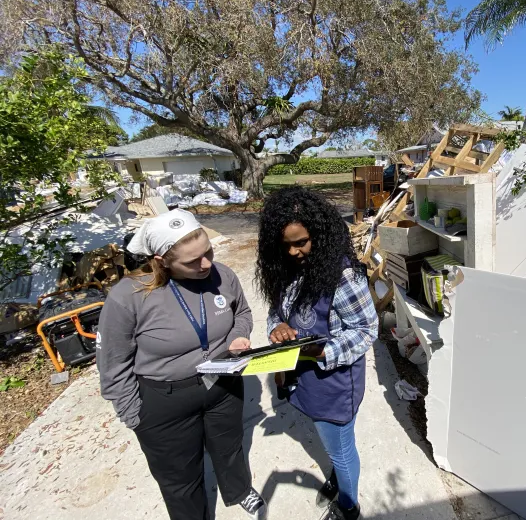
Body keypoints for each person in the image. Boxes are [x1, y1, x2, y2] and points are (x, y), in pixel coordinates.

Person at [96, 209, 267, 520]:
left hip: (222, 387)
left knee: (229, 447)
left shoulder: (222, 275)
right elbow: (112, 365)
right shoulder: (129, 296)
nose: (206, 264)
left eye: (208, 252)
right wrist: (134, 415)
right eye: (192, 261)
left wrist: (237, 337)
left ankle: (239, 490)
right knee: (179, 477)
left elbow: (242, 313)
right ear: (161, 260)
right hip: (164, 402)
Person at [255, 187, 379, 520]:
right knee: (335, 444)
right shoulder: (288, 270)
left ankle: (348, 506)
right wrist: (277, 325)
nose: (294, 252)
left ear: (319, 236)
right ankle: (340, 479)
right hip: (305, 378)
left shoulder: (343, 275)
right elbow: (275, 309)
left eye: (302, 242)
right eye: (286, 245)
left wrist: (319, 350)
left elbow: (367, 330)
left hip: (334, 383)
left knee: (340, 450)